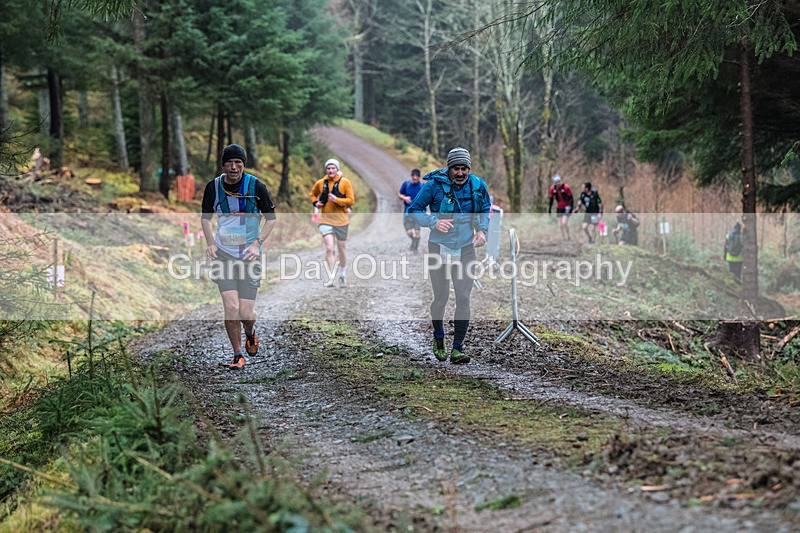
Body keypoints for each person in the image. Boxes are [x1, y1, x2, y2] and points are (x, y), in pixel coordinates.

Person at [408, 147, 490, 365]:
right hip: (439, 247)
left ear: (469, 169)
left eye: (464, 168)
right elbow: (414, 210)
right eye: (456, 168)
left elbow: (484, 209)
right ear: (449, 168)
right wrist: (433, 222)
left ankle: (458, 348)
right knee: (441, 297)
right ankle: (439, 337)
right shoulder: (433, 186)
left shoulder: (477, 185)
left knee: (463, 296)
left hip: (465, 248)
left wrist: (482, 231)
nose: (460, 173)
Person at [201, 144, 277, 369]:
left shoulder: (256, 186)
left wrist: (257, 243)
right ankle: (237, 355)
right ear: (223, 165)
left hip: (249, 256)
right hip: (223, 254)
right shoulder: (213, 187)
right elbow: (205, 218)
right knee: (231, 307)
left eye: (239, 163)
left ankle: (250, 331)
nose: (234, 167)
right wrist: (210, 243)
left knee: (246, 312)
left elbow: (271, 219)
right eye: (230, 162)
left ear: (243, 165)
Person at [309, 158, 355, 287]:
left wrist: (338, 200)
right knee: (329, 248)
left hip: (341, 221)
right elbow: (312, 194)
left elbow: (351, 200)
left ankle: (342, 273)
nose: (330, 170)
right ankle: (331, 276)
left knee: (342, 250)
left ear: (337, 169)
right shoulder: (321, 183)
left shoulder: (345, 182)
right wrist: (315, 203)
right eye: (328, 168)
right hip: (325, 220)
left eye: (333, 168)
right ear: (326, 170)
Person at [398, 168, 423, 252]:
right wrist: (404, 198)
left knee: (417, 232)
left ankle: (415, 248)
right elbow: (399, 194)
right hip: (407, 212)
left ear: (419, 177)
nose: (415, 178)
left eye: (417, 177)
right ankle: (413, 241)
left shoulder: (422, 186)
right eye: (413, 176)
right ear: (411, 176)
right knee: (409, 232)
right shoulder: (406, 184)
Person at [548, 175, 574, 241]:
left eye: (559, 182)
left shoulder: (566, 187)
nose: (558, 183)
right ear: (554, 183)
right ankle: (564, 238)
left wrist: (572, 208)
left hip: (567, 207)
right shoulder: (552, 189)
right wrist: (549, 209)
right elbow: (551, 200)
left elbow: (571, 198)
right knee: (560, 225)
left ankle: (568, 236)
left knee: (564, 222)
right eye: (556, 182)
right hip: (559, 207)